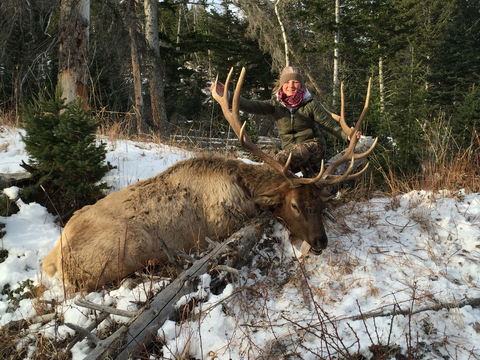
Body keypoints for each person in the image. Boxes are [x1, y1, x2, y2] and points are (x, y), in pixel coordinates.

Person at [211, 66, 354, 177]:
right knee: (286, 176)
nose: (291, 85)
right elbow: (250, 105)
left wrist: (347, 136)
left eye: (295, 82)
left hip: (313, 148)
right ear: (281, 85)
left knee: (281, 160)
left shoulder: (310, 104)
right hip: (291, 153)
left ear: (302, 85)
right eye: (287, 82)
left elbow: (328, 125)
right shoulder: (275, 104)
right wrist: (228, 95)